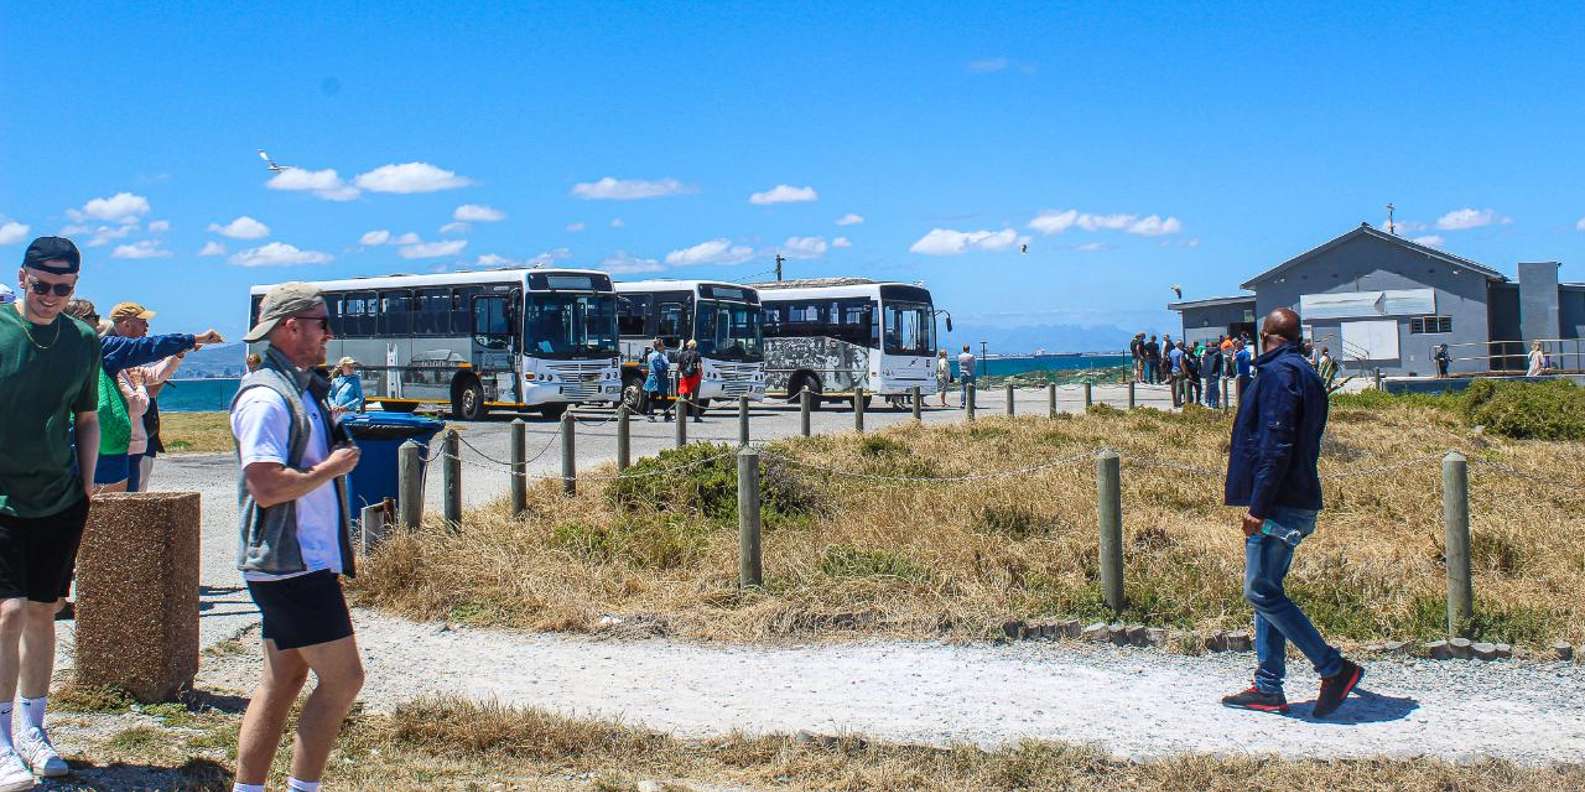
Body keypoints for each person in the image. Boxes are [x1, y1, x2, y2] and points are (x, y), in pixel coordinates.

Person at [230, 282, 364, 792]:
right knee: (344, 679)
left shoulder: (304, 388)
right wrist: (328, 469)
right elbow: (264, 486)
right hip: (291, 564)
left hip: (295, 561)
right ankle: (302, 787)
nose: (329, 334)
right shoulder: (267, 397)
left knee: (282, 680)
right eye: (321, 323)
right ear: (291, 327)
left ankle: (249, 788)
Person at [1221, 307, 1362, 718]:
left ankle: (1334, 668)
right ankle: (1268, 687)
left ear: (1266, 336)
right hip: (1298, 495)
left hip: (1280, 502)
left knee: (1259, 591)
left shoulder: (1280, 375)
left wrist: (1258, 506)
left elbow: (1276, 445)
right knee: (1269, 591)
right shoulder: (1306, 372)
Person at [0, 237, 104, 786]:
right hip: (1, 498)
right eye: (42, 286)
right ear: (21, 277)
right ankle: (0, 741)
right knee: (8, 612)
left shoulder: (83, 340)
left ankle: (33, 728)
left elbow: (86, 417)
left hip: (59, 498)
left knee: (44, 610)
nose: (51, 297)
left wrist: (87, 484)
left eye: (63, 289)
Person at [109, 302, 191, 492]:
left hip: (136, 445)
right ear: (126, 324)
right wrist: (139, 385)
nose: (147, 327)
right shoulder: (113, 360)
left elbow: (154, 375)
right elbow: (137, 403)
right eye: (142, 321)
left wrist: (177, 355)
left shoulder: (126, 359)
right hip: (123, 446)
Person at [642, 339, 671, 422]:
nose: (664, 347)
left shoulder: (649, 356)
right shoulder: (661, 355)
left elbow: (648, 365)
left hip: (651, 378)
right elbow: (667, 364)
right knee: (664, 398)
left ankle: (651, 416)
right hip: (660, 378)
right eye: (662, 345)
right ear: (659, 347)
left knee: (652, 398)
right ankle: (667, 416)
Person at [675, 339, 704, 423]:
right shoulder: (697, 354)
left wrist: (683, 374)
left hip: (685, 378)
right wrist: (700, 374)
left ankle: (680, 416)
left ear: (688, 345)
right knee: (695, 398)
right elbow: (698, 367)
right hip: (695, 378)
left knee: (684, 397)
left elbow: (678, 367)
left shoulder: (682, 354)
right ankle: (696, 417)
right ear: (694, 346)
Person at [1202, 338, 1224, 408]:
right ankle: (1214, 403)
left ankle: (1208, 402)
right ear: (1217, 345)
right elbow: (1221, 364)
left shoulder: (1206, 353)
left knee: (1208, 388)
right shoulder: (1218, 353)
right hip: (1215, 373)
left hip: (1208, 373)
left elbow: (1204, 363)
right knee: (1215, 389)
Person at [1234, 338, 1253, 403]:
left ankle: (1239, 403)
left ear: (1238, 347)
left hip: (1240, 374)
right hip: (1247, 373)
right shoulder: (1248, 353)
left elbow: (1233, 360)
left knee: (1239, 392)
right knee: (1246, 390)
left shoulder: (1239, 353)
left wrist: (1234, 352)